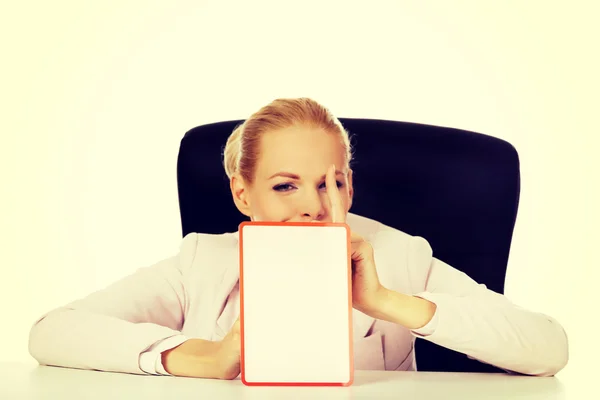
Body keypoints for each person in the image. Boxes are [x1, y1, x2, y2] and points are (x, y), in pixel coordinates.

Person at [28, 97, 569, 380]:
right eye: (285, 185)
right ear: (243, 195)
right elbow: (52, 332)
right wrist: (199, 357)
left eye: (330, 182)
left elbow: (549, 347)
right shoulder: (201, 261)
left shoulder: (401, 257)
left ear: (350, 188)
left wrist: (385, 301)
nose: (313, 204)